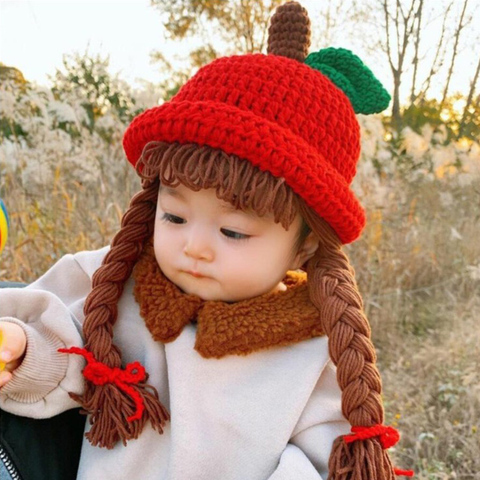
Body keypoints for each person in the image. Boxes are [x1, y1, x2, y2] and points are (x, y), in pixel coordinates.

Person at [0, 2, 413, 479]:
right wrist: (24, 351)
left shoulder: (315, 353)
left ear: (304, 247)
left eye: (233, 230)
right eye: (173, 216)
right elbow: (66, 353)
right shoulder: (112, 286)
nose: (194, 245)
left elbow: (322, 457)